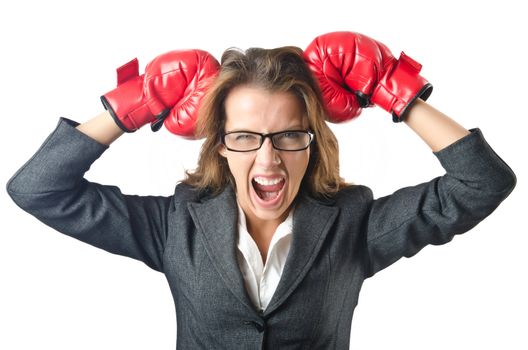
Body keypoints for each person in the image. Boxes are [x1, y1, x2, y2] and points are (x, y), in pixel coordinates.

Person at [6, 31, 516, 349]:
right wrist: (133, 103)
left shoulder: (355, 225)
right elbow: (38, 188)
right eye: (245, 137)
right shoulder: (174, 226)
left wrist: (395, 89)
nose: (267, 159)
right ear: (220, 146)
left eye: (289, 135)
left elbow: (482, 182)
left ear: (312, 143)